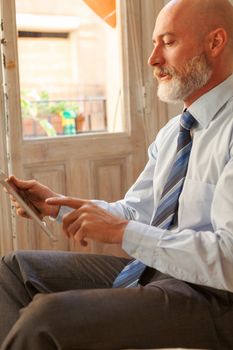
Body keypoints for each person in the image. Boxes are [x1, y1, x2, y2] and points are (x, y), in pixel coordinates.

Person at [1, 0, 233, 348]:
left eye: (168, 42)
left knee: (46, 318)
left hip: (215, 296)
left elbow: (229, 259)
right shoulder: (174, 132)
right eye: (155, 43)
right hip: (159, 271)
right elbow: (137, 211)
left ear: (215, 43)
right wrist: (58, 206)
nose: (153, 59)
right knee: (13, 270)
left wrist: (123, 232)